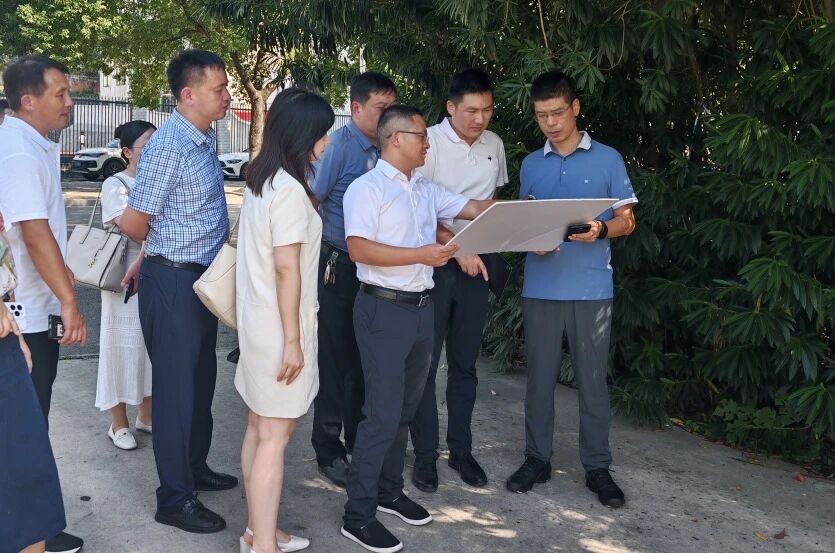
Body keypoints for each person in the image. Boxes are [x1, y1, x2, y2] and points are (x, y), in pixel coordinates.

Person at [340, 105, 496, 553]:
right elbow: (358, 249)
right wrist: (421, 255)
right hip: (382, 309)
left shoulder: (425, 188)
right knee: (381, 414)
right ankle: (358, 514)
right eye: (422, 136)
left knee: (405, 410)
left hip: (420, 310)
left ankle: (389, 491)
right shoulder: (367, 189)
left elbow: (475, 208)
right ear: (395, 139)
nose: (428, 143)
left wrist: (534, 213)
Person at [505, 71, 637, 508]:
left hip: (592, 289)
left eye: (558, 113)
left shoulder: (608, 159)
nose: (551, 123)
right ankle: (536, 459)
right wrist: (530, 237)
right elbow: (525, 221)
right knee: (538, 381)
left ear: (575, 108)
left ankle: (597, 467)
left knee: (592, 382)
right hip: (541, 286)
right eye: (542, 115)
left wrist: (601, 230)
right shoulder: (531, 164)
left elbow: (628, 221)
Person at [118, 49, 237, 534]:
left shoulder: (204, 138)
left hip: (200, 280)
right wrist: (157, 253)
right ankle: (174, 498)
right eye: (219, 88)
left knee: (201, 381)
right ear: (188, 95)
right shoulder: (169, 146)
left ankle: (193, 468)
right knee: (175, 392)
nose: (227, 95)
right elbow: (133, 222)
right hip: (173, 282)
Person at [236, 88, 332, 553]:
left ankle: (258, 532)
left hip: (258, 324)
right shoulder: (291, 192)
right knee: (275, 435)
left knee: (259, 428)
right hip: (280, 329)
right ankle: (263, 547)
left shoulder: (261, 181)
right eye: (323, 133)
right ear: (303, 135)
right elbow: (286, 269)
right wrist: (294, 341)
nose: (327, 142)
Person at [0, 54, 87, 553]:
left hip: (33, 305)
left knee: (30, 425)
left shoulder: (31, 144)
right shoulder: (18, 151)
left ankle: (34, 524)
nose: (69, 102)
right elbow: (34, 233)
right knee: (25, 431)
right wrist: (69, 301)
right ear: (28, 100)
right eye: (61, 93)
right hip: (24, 314)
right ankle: (29, 531)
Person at [409, 68, 509, 492]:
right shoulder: (427, 144)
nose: (480, 119)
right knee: (425, 365)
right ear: (451, 107)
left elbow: (491, 203)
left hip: (476, 268)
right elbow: (417, 209)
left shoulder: (494, 145)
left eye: (487, 110)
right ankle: (425, 454)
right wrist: (456, 247)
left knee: (465, 364)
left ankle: (462, 450)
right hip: (433, 265)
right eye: (471, 110)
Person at [310, 71, 397, 487]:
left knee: (365, 362)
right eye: (382, 109)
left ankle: (362, 442)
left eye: (393, 108)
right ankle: (328, 449)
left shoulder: (390, 147)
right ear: (357, 108)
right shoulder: (340, 148)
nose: (389, 117)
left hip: (379, 269)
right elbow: (313, 199)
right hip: (339, 266)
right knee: (335, 360)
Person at [95, 121, 155, 450]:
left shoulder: (159, 181)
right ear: (127, 152)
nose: (155, 152)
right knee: (120, 347)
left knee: (150, 348)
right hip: (122, 279)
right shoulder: (115, 184)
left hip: (153, 275)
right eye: (147, 146)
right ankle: (117, 423)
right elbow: (132, 229)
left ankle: (146, 416)